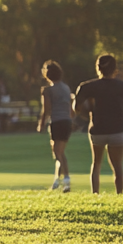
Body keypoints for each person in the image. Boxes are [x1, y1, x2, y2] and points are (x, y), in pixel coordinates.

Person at [73, 53, 123, 195]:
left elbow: (76, 107)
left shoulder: (87, 86)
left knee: (96, 164)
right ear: (115, 69)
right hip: (118, 129)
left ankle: (95, 194)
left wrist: (86, 112)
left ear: (98, 69)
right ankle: (119, 194)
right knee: (118, 165)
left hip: (97, 129)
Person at [37, 60, 73, 192]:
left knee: (58, 152)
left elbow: (46, 109)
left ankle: (67, 180)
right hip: (66, 121)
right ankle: (57, 180)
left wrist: (41, 124)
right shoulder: (66, 88)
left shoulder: (48, 90)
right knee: (59, 151)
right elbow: (70, 106)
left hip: (57, 121)